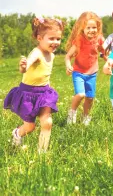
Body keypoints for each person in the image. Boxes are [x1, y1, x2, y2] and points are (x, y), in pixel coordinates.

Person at [3, 17, 65, 152]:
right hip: (28, 94)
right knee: (30, 127)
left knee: (47, 123)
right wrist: (23, 66)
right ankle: (17, 133)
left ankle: (42, 154)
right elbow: (25, 68)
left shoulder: (52, 55)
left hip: (44, 93)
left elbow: (45, 74)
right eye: (51, 38)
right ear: (39, 38)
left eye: (58, 39)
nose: (55, 42)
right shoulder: (37, 53)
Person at [65, 12, 106, 126]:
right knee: (80, 95)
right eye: (88, 27)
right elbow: (68, 56)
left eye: (94, 27)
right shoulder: (79, 40)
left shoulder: (99, 39)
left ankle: (85, 116)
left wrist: (108, 59)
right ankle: (71, 114)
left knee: (90, 97)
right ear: (83, 28)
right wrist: (68, 65)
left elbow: (104, 52)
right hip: (78, 73)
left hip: (92, 74)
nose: (92, 30)